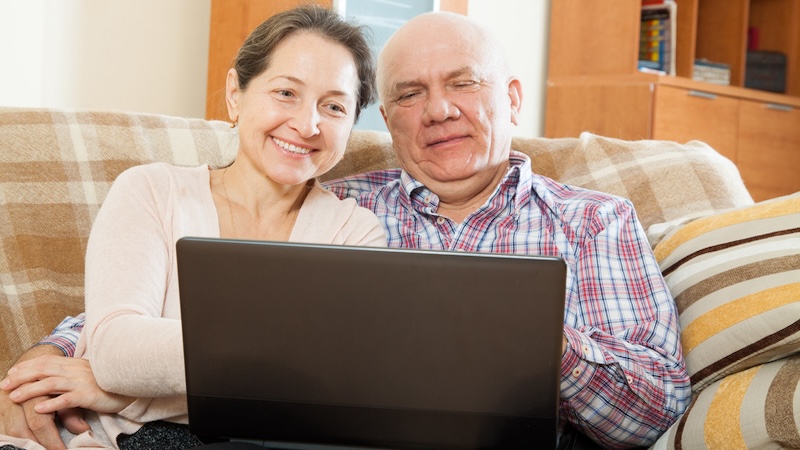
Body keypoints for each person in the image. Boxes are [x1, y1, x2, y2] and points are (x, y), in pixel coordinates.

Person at [1, 11, 692, 450]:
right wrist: (50, 359)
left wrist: (539, 344)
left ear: (511, 97)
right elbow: (161, 313)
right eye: (410, 94)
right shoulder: (350, 206)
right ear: (387, 121)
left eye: (463, 83)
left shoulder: (595, 220)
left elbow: (656, 408)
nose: (439, 111)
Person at [0, 5, 385, 450]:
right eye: (285, 93)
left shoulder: (356, 234)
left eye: (334, 106)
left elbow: (331, 392)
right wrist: (285, 358)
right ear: (235, 94)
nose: (306, 124)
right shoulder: (151, 190)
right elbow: (116, 351)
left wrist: (127, 396)